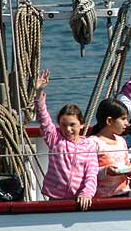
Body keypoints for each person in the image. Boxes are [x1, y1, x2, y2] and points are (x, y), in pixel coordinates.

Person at [35, 69, 98, 211]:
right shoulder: (55, 139)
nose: (68, 129)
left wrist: (87, 193)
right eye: (63, 125)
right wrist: (39, 93)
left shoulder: (89, 146)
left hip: (79, 198)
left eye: (72, 125)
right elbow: (43, 118)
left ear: (81, 124)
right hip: (55, 197)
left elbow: (91, 173)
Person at [89, 98, 131, 198]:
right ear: (109, 121)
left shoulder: (121, 141)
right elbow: (87, 172)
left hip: (124, 192)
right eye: (123, 119)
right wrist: (105, 171)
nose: (127, 123)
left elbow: (127, 163)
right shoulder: (93, 143)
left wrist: (130, 171)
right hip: (102, 196)